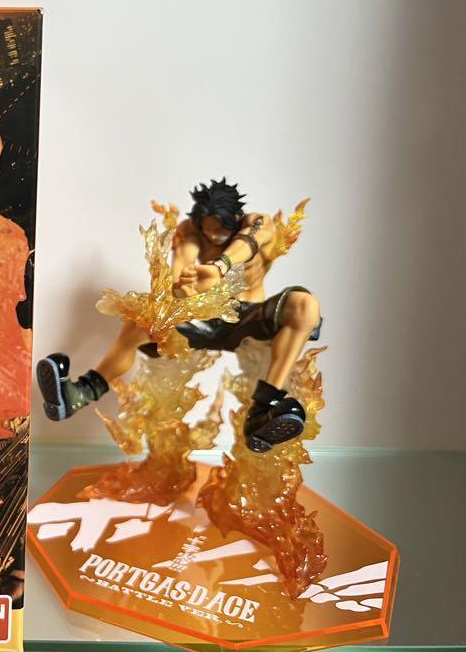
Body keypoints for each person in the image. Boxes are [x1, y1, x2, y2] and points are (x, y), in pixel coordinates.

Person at [37, 178, 322, 453]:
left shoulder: (258, 223)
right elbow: (177, 280)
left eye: (222, 232)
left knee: (305, 305)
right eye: (209, 232)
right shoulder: (190, 231)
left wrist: (219, 266)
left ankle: (263, 411)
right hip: (205, 319)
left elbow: (249, 241)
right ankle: (79, 394)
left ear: (236, 218)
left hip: (249, 319)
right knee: (141, 320)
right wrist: (186, 289)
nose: (215, 238)